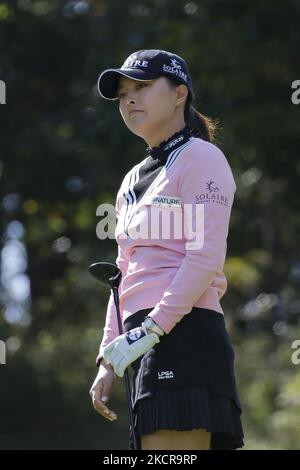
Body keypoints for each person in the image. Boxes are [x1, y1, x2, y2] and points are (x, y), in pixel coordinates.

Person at [89, 49, 244, 450]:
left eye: (142, 86)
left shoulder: (201, 158)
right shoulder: (132, 179)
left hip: (185, 331)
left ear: (179, 94)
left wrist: (153, 328)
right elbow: (121, 272)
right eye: (123, 92)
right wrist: (108, 357)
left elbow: (205, 257)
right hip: (141, 338)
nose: (129, 99)